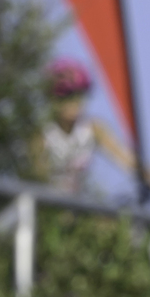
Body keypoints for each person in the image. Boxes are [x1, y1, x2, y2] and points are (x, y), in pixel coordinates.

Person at [33, 57, 137, 195]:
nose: (76, 102)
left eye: (80, 94)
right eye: (68, 95)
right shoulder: (42, 135)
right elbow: (36, 180)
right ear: (53, 98)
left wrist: (145, 175)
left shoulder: (93, 129)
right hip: (49, 208)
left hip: (80, 205)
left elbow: (129, 162)